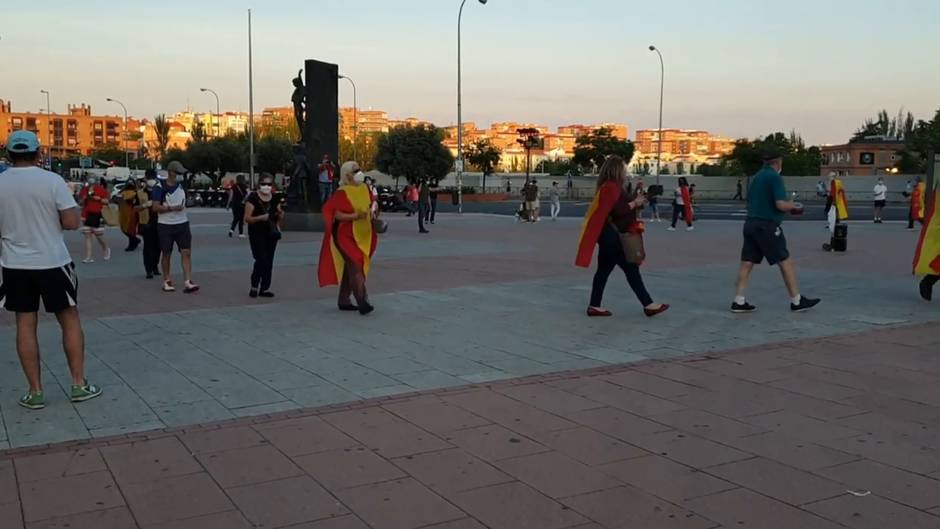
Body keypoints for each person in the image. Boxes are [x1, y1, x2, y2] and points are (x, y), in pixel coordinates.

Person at [0, 131, 102, 410]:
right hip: (53, 261)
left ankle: (35, 392)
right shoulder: (52, 181)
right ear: (38, 153)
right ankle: (79, 384)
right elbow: (71, 222)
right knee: (68, 319)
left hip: (14, 264)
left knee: (24, 323)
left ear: (9, 155)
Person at [575, 155, 669, 318]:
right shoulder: (612, 187)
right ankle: (648, 305)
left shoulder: (609, 186)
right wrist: (635, 203)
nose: (626, 172)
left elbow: (618, 208)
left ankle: (594, 305)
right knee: (631, 270)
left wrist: (637, 201)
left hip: (608, 237)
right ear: (617, 170)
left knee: (603, 272)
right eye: (624, 169)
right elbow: (618, 210)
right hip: (615, 237)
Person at [732, 148, 820, 313]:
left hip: (750, 223)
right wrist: (793, 205)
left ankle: (738, 300)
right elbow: (780, 204)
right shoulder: (774, 177)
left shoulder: (757, 177)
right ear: (779, 162)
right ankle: (796, 300)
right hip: (767, 226)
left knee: (747, 262)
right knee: (785, 261)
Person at [319, 161, 377, 315]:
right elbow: (336, 214)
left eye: (359, 169)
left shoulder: (365, 188)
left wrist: (374, 212)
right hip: (345, 235)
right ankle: (362, 300)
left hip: (363, 234)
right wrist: (355, 216)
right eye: (355, 170)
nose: (359, 172)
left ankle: (344, 299)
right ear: (347, 175)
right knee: (356, 264)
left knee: (351, 267)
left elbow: (373, 205)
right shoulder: (342, 192)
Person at [152, 161, 199, 293]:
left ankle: (188, 281)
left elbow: (186, 202)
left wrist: (190, 203)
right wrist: (172, 208)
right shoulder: (159, 187)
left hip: (182, 224)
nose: (180, 175)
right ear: (171, 172)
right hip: (165, 225)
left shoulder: (182, 187)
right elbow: (155, 207)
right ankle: (167, 280)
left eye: (181, 173)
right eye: (178, 173)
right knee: (166, 253)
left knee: (186, 252)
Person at [244, 173, 284, 298]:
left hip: (270, 233)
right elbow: (247, 218)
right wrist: (261, 218)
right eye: (264, 184)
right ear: (259, 184)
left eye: (269, 184)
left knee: (269, 260)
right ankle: (254, 285)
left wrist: (280, 215)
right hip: (257, 232)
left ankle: (265, 288)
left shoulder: (275, 198)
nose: (266, 186)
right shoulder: (253, 198)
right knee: (261, 258)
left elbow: (279, 214)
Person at [77, 174, 111, 263]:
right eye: (89, 179)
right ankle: (88, 257)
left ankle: (106, 248)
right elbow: (80, 202)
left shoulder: (101, 190)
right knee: (88, 236)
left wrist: (99, 199)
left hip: (97, 214)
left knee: (99, 235)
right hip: (86, 215)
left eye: (92, 179)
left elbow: (107, 201)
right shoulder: (84, 190)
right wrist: (84, 199)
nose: (91, 181)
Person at [139, 170, 161, 279]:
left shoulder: (161, 191)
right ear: (145, 179)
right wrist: (144, 205)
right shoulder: (140, 193)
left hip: (160, 221)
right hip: (146, 222)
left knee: (158, 246)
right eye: (149, 178)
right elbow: (134, 208)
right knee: (148, 247)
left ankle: (155, 266)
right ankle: (148, 270)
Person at [118, 178, 142, 252]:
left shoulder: (136, 192)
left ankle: (132, 244)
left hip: (132, 213)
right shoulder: (122, 192)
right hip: (123, 213)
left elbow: (137, 202)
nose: (130, 184)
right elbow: (117, 200)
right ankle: (135, 240)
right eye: (129, 183)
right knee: (124, 229)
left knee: (130, 229)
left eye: (132, 183)